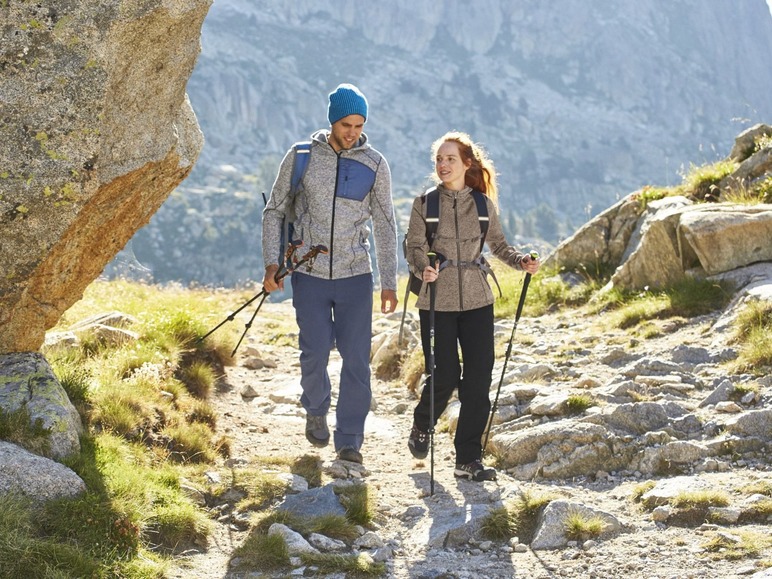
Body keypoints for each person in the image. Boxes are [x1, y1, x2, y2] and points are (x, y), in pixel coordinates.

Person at [261, 83, 398, 465]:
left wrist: (389, 281)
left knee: (356, 359)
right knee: (315, 351)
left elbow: (386, 224)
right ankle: (316, 408)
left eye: (358, 124)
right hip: (310, 272)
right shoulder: (302, 156)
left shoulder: (374, 164)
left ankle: (351, 438)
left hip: (356, 275)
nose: (352, 132)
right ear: (331, 120)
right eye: (345, 124)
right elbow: (274, 211)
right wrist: (273, 264)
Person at [405, 131, 540, 481]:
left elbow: (498, 245)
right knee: (445, 374)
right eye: (438, 159)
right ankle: (423, 422)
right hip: (436, 300)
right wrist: (424, 268)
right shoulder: (425, 204)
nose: (442, 164)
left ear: (467, 163)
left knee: (479, 380)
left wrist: (521, 260)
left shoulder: (482, 205)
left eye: (450, 158)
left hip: (479, 300)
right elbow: (413, 247)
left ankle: (468, 458)